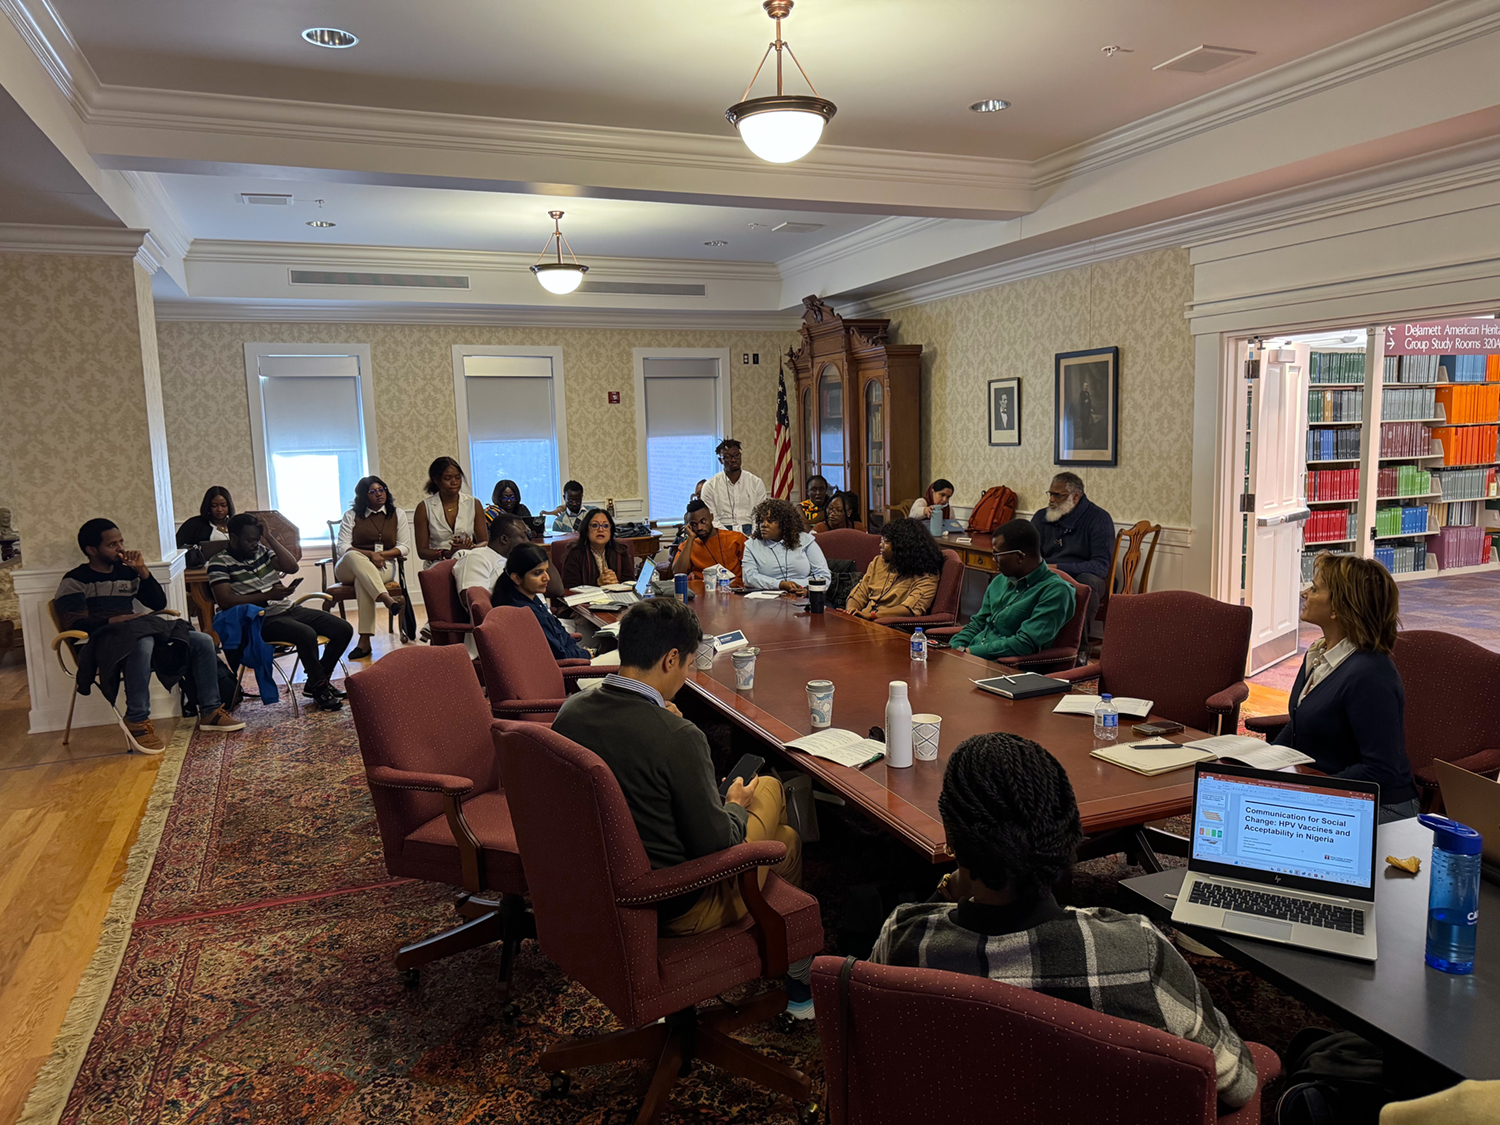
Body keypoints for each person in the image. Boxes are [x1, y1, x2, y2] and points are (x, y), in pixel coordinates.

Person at [869, 733, 1258, 1109]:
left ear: (954, 841)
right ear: (1066, 829)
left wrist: (949, 887)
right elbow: (1238, 1084)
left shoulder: (902, 940)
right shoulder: (1140, 952)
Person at [551, 597, 813, 1017]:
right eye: (690, 665)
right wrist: (734, 804)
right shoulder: (678, 736)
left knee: (783, 835)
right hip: (672, 900)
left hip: (594, 883)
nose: (688, 675)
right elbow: (717, 841)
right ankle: (796, 979)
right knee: (773, 809)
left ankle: (793, 972)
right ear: (671, 659)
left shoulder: (571, 712)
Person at [56, 519, 245, 751]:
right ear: (91, 550)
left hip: (131, 630)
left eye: (121, 542)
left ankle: (210, 711)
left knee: (201, 640)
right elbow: (73, 622)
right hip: (98, 642)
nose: (121, 549)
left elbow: (157, 603)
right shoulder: (75, 580)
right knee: (141, 640)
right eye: (112, 545)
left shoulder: (127, 572)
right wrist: (112, 620)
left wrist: (143, 572)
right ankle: (136, 719)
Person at [1274, 552, 1418, 822]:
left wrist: (1309, 793)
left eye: (1315, 589)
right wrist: (1264, 764)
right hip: (1330, 790)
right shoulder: (1318, 654)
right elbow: (1299, 721)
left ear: (1337, 607)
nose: (1305, 593)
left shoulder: (1371, 675)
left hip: (1378, 807)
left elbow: (1380, 771)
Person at [208, 513, 352, 712]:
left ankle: (316, 681)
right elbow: (224, 601)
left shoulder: (262, 551)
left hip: (288, 609)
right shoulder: (218, 562)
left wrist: (269, 537)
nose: (254, 544)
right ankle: (320, 689)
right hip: (259, 620)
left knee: (343, 629)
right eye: (249, 540)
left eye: (257, 539)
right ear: (233, 538)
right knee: (305, 634)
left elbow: (291, 567)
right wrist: (267, 595)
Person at [950, 519, 1075, 659]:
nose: (993, 560)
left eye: (997, 555)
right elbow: (977, 624)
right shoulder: (999, 580)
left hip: (1005, 668)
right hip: (970, 657)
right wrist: (954, 648)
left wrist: (969, 653)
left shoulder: (1056, 591)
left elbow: (1024, 644)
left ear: (1019, 557)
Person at [334, 475, 410, 659]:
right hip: (348, 568)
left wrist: (381, 555)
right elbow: (342, 547)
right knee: (353, 555)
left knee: (363, 581)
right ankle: (385, 599)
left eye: (381, 489)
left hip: (382, 565)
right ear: (363, 496)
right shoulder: (351, 515)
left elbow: (404, 547)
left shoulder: (397, 514)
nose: (379, 494)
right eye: (373, 492)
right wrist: (370, 555)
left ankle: (364, 641)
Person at [1031, 472, 1115, 632]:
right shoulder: (1042, 516)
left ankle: (1079, 647)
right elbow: (1029, 551)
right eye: (1050, 494)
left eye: (1058, 495)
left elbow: (1101, 567)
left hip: (1087, 577)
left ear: (1075, 496)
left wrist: (1058, 567)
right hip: (1048, 574)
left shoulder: (1099, 518)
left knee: (1085, 583)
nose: (1051, 500)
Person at [492, 543, 591, 662]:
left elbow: (558, 630)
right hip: (568, 672)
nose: (547, 578)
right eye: (537, 573)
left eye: (545, 571)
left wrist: (580, 652)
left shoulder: (527, 597)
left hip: (572, 659)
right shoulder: (525, 613)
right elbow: (558, 656)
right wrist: (585, 654)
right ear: (516, 578)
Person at [846, 518, 942, 620]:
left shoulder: (926, 575)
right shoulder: (878, 562)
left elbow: (909, 610)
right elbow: (860, 592)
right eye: (882, 540)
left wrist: (872, 615)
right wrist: (851, 610)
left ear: (901, 547)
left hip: (890, 626)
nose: (880, 545)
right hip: (863, 621)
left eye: (886, 542)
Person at [742, 498, 831, 595]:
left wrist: (808, 590)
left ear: (784, 523)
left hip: (804, 596)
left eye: (770, 521)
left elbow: (823, 575)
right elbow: (749, 578)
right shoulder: (752, 545)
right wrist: (780, 584)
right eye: (760, 521)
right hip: (767, 598)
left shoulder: (806, 540)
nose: (763, 525)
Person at [413, 457, 485, 567]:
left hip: (468, 560)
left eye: (458, 477)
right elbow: (422, 551)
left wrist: (472, 547)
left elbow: (484, 541)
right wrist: (446, 553)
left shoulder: (473, 503)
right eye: (448, 478)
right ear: (436, 480)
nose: (454, 482)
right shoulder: (424, 507)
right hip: (438, 563)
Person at [670, 498, 746, 585]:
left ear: (711, 517)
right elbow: (677, 573)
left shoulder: (736, 538)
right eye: (694, 524)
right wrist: (691, 538)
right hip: (703, 591)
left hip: (734, 590)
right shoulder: (688, 546)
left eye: (703, 521)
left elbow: (751, 569)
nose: (699, 528)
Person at [698, 439, 767, 532]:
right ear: (720, 460)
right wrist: (730, 537)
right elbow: (712, 519)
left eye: (736, 455)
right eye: (727, 457)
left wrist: (753, 538)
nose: (734, 460)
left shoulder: (756, 483)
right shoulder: (710, 486)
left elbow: (759, 516)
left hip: (750, 530)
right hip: (722, 532)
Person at [560, 507, 635, 588]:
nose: (601, 529)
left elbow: (630, 582)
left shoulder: (620, 550)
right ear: (586, 529)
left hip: (617, 598)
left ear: (611, 530)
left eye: (606, 526)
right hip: (587, 599)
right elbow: (570, 588)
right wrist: (597, 583)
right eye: (595, 525)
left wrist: (616, 583)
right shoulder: (574, 553)